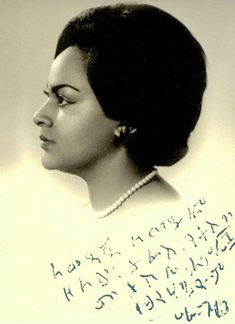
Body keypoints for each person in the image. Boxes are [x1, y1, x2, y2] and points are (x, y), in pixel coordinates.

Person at [33, 3, 207, 219]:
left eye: (64, 99)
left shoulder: (165, 223)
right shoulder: (84, 219)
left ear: (129, 116)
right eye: (48, 96)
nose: (39, 117)